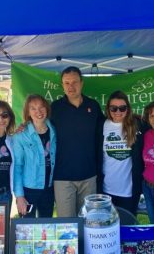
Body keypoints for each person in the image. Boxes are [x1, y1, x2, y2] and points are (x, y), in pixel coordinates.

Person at [51, 66, 105, 217]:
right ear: (62, 85)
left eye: (74, 82)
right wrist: (23, 126)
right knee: (67, 226)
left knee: (88, 222)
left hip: (89, 176)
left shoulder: (93, 106)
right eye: (66, 83)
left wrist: (135, 120)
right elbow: (39, 128)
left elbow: (109, 126)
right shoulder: (54, 108)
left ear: (81, 83)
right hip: (63, 177)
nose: (71, 86)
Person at [97, 90, 144, 215]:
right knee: (107, 227)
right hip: (106, 190)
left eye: (122, 108)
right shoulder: (101, 125)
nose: (118, 112)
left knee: (127, 228)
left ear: (127, 109)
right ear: (108, 109)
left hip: (129, 191)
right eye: (114, 108)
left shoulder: (138, 124)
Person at [13, 94, 56, 217]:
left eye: (42, 107)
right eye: (33, 108)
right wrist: (20, 196)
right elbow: (17, 167)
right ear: (28, 112)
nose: (38, 111)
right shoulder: (20, 135)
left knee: (46, 228)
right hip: (29, 190)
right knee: (26, 229)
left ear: (47, 108)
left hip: (49, 188)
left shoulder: (54, 129)